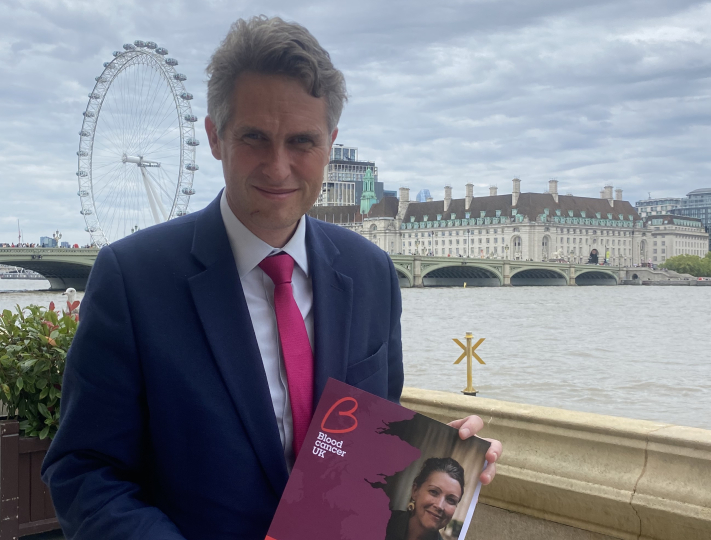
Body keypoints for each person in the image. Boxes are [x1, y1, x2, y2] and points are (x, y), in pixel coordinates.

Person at [41, 16, 501, 540]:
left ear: (331, 142)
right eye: (254, 138)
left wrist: (440, 448)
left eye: (302, 142)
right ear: (215, 137)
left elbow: (372, 439)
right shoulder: (134, 278)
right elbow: (84, 472)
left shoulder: (372, 274)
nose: (279, 168)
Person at [384, 457, 465, 540]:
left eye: (451, 500)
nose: (440, 506)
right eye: (434, 492)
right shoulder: (379, 523)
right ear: (415, 491)